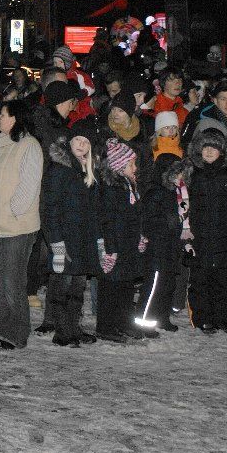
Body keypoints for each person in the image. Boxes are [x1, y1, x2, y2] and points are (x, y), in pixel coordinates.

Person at [0, 100, 43, 350]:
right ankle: (4, 331)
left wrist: (12, 211)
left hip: (18, 226)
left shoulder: (29, 145)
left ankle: (17, 333)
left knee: (13, 283)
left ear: (16, 118)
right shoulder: (0, 145)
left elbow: (29, 185)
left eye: (3, 114)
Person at [41, 124, 103, 346]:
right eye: (78, 140)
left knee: (78, 287)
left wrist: (98, 239)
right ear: (69, 142)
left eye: (86, 142)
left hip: (83, 240)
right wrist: (56, 242)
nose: (81, 145)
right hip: (65, 239)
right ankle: (62, 331)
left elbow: (94, 210)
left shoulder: (88, 172)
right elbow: (50, 208)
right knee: (62, 285)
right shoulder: (60, 169)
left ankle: (74, 327)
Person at [182, 129, 227, 333]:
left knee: (223, 281)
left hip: (225, 237)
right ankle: (203, 319)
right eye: (205, 147)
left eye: (214, 147)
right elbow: (184, 207)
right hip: (200, 237)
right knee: (201, 280)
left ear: (222, 151)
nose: (209, 151)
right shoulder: (193, 175)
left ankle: (221, 319)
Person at [138, 112, 185, 332]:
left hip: (171, 246)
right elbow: (149, 220)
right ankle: (144, 319)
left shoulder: (176, 193)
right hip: (158, 247)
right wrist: (166, 225)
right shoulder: (156, 193)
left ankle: (162, 316)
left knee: (168, 282)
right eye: (176, 174)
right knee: (155, 283)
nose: (180, 178)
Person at [96, 138, 146, 343]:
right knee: (111, 287)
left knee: (126, 285)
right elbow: (107, 221)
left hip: (129, 244)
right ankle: (106, 325)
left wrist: (140, 235)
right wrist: (110, 249)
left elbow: (136, 215)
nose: (135, 168)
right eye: (131, 164)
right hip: (116, 245)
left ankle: (124, 321)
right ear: (119, 167)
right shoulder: (111, 189)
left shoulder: (129, 186)